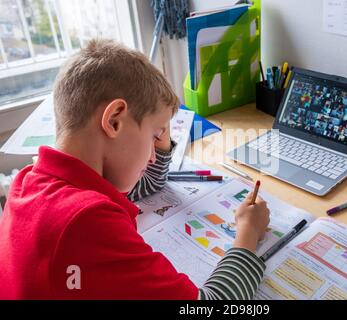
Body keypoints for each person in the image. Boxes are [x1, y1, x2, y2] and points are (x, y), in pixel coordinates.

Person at [0, 39, 270, 300]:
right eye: (154, 136)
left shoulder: (29, 181)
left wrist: (157, 131)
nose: (153, 157)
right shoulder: (87, 220)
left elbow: (143, 185)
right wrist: (247, 232)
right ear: (114, 121)